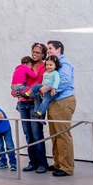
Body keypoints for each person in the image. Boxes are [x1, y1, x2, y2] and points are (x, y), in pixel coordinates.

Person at [11, 42, 49, 174]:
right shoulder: (27, 65)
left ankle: (42, 164)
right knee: (28, 134)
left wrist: (27, 92)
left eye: (38, 52)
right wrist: (15, 92)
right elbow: (17, 82)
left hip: (35, 103)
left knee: (37, 134)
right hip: (22, 103)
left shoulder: (45, 66)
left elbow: (42, 84)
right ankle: (32, 162)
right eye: (33, 51)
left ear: (43, 54)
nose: (35, 54)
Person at [41, 40, 76, 177]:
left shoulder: (65, 63)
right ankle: (58, 164)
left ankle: (66, 167)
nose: (48, 50)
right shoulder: (54, 65)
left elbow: (65, 80)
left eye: (50, 48)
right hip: (54, 102)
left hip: (63, 101)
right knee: (55, 135)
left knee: (63, 135)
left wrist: (48, 88)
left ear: (59, 49)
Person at [16, 55, 61, 120]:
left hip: (50, 89)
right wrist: (41, 89)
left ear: (55, 65)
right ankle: (27, 94)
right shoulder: (45, 73)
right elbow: (43, 81)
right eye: (47, 65)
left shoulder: (55, 73)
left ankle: (40, 112)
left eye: (51, 65)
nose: (48, 66)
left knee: (45, 100)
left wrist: (54, 88)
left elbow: (57, 81)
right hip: (43, 86)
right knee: (37, 86)